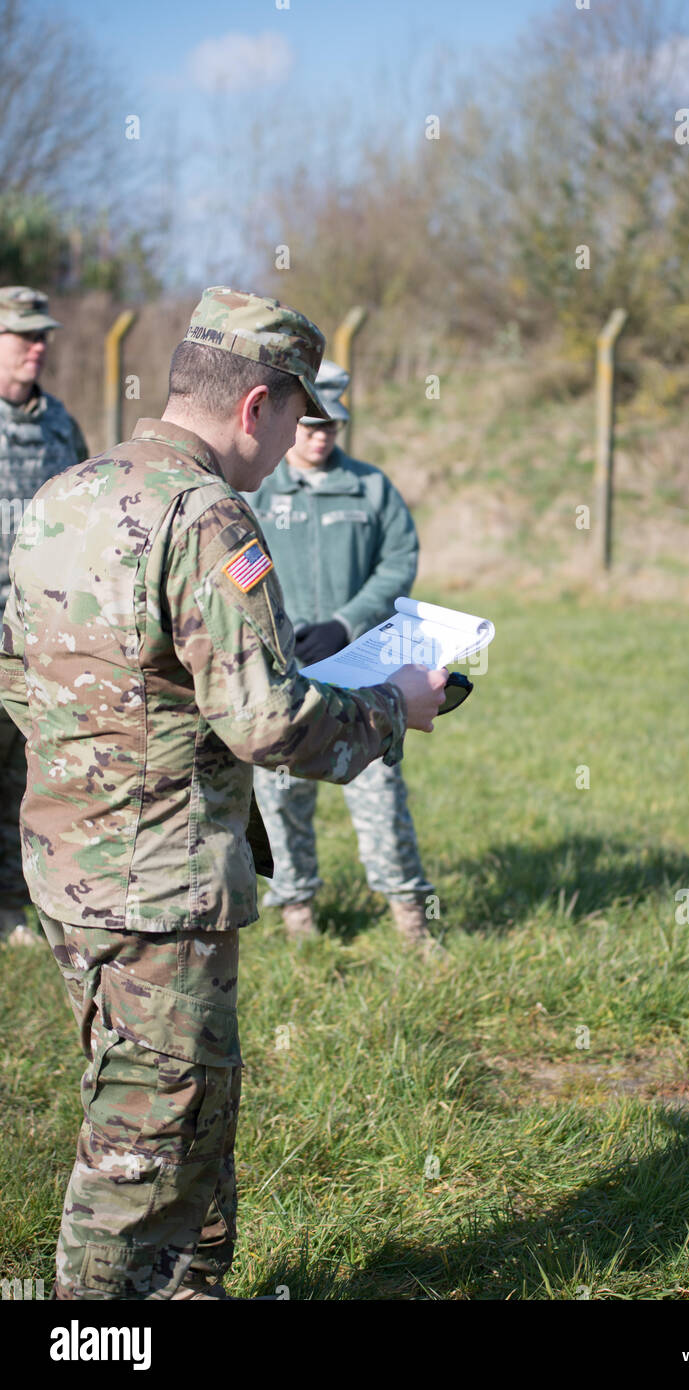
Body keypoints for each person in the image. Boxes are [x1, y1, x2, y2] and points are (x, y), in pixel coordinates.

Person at [0, 286, 446, 1301]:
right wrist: (393, 706)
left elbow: (40, 670)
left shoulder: (65, 493)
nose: (295, 442)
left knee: (174, 1114)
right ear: (257, 408)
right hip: (161, 893)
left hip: (69, 872)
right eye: (294, 419)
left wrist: (292, 654)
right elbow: (271, 725)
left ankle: (183, 1289)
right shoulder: (208, 514)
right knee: (143, 1146)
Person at [246, 359, 439, 951]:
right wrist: (273, 627)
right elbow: (237, 568)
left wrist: (348, 622)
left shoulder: (372, 488)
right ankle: (296, 911)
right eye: (308, 425)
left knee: (380, 792)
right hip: (287, 669)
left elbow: (398, 562)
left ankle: (411, 917)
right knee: (281, 793)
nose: (320, 435)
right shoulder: (257, 492)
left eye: (331, 425)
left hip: (363, 672)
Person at [0, 286, 87, 948]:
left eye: (43, 334)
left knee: (26, 774)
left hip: (37, 634)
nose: (38, 344)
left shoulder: (61, 423)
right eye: (23, 333)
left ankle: (11, 907)